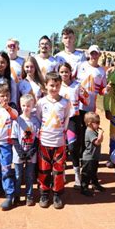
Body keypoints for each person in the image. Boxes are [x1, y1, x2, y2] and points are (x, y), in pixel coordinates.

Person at [36, 71, 72, 209]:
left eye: (57, 85)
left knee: (58, 170)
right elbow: (38, 119)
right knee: (44, 169)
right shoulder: (41, 102)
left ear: (60, 85)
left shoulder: (65, 103)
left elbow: (67, 120)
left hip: (59, 142)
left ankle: (57, 193)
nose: (54, 88)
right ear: (46, 86)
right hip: (44, 141)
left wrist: (61, 135)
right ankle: (44, 192)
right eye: (51, 85)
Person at [0, 83, 19, 210]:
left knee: (6, 168)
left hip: (6, 144)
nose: (5, 98)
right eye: (2, 96)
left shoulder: (11, 108)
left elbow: (15, 115)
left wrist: (7, 107)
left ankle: (10, 194)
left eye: (7, 95)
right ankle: (0, 187)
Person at [12, 94, 40, 207]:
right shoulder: (17, 120)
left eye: (28, 105)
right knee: (18, 176)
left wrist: (31, 151)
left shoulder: (35, 121)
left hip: (31, 153)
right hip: (19, 153)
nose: (25, 108)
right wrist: (20, 152)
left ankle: (29, 195)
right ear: (20, 105)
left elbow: (37, 138)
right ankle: (17, 195)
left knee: (29, 176)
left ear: (33, 106)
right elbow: (14, 138)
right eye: (23, 105)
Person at [58, 62, 82, 188]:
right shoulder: (56, 85)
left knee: (73, 148)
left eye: (66, 71)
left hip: (73, 120)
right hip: (59, 120)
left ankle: (77, 174)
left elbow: (86, 99)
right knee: (61, 148)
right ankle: (61, 174)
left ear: (70, 72)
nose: (64, 74)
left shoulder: (77, 85)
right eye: (61, 72)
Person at [80, 112, 105, 197]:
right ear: (90, 124)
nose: (99, 124)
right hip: (88, 157)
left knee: (93, 172)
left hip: (94, 157)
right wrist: (101, 134)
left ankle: (95, 185)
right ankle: (84, 188)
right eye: (97, 123)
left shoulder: (93, 130)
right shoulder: (89, 132)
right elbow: (97, 142)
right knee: (86, 173)